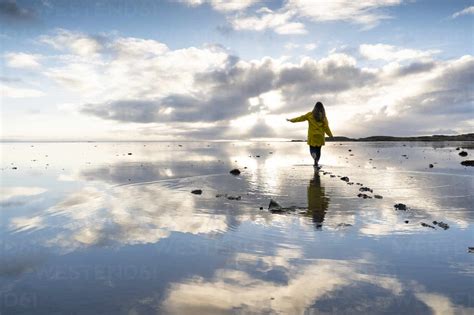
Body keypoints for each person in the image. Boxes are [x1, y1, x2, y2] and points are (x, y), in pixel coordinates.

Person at [287, 101, 333, 168]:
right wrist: (330, 135)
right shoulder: (324, 117)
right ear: (322, 108)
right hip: (320, 136)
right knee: (319, 150)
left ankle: (313, 155)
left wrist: (291, 120)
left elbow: (300, 118)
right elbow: (326, 128)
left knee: (312, 149)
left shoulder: (310, 115)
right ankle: (316, 163)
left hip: (312, 136)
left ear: (315, 108)